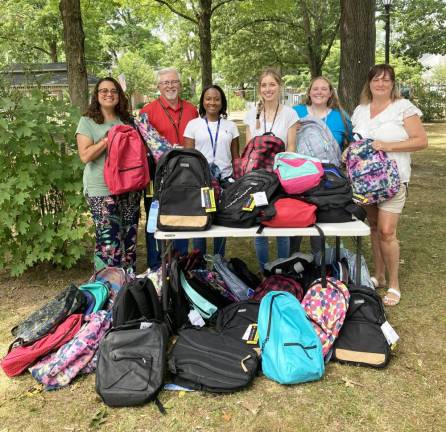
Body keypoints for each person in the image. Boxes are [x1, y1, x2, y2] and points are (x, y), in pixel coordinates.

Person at [351, 64, 428, 306]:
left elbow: (421, 141)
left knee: (387, 231)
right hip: (366, 182)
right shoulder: (360, 110)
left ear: (392, 83)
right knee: (373, 227)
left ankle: (394, 284)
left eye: (385, 80)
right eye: (376, 79)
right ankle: (379, 276)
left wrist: (387, 146)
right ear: (369, 83)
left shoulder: (403, 108)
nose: (380, 84)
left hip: (393, 181)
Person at [76, 77, 141, 274]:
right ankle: (108, 289)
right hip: (101, 190)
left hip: (129, 187)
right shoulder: (87, 121)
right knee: (108, 243)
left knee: (129, 240)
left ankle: (128, 290)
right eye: (103, 91)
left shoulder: (128, 121)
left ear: (119, 95)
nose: (109, 94)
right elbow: (85, 156)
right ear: (96, 95)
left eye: (113, 91)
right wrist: (108, 139)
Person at [139, 68, 199, 271]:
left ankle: (180, 263)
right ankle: (155, 266)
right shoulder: (147, 112)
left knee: (183, 218)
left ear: (180, 85)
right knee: (155, 220)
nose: (170, 86)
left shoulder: (192, 110)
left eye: (174, 82)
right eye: (165, 83)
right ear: (158, 86)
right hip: (157, 176)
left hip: (185, 175)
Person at [244, 68, 298, 271]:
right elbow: (249, 148)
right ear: (260, 89)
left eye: (272, 84)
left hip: (280, 175)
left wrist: (282, 171)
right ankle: (265, 269)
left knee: (281, 224)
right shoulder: (251, 115)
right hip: (258, 178)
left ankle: (283, 270)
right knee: (261, 225)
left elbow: (292, 147)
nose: (268, 89)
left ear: (279, 86)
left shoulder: (289, 114)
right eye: (264, 85)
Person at [291, 76, 352, 254]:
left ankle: (319, 264)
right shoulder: (295, 112)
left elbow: (353, 142)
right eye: (315, 88)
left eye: (324, 89)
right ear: (309, 92)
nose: (319, 92)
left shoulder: (340, 116)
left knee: (321, 222)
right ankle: (290, 262)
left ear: (330, 93)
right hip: (299, 177)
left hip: (328, 182)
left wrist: (347, 154)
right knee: (297, 220)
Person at [184, 85, 240, 256]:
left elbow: (236, 156)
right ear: (202, 101)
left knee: (221, 223)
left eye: (216, 99)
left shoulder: (230, 126)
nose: (212, 102)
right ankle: (198, 264)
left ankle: (218, 263)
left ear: (222, 102)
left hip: (224, 181)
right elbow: (188, 157)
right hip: (203, 183)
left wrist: (238, 179)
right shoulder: (193, 125)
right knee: (202, 223)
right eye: (208, 98)